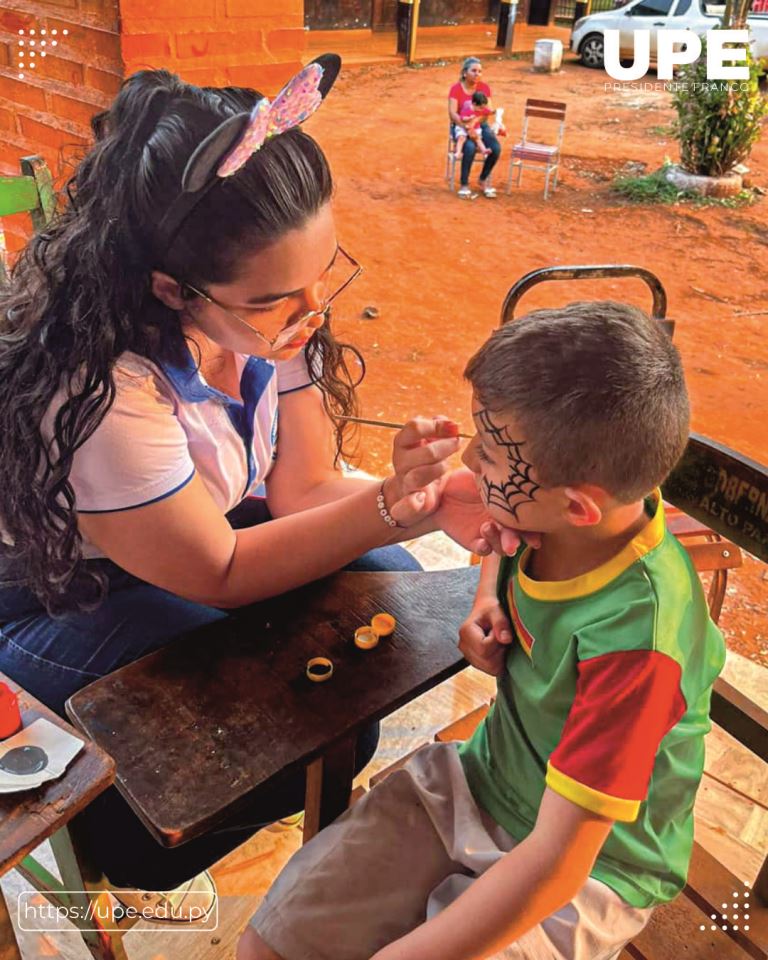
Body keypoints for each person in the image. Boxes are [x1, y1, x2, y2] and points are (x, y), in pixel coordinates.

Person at [0, 61, 511, 899]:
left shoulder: (272, 318)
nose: (310, 313)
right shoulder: (104, 392)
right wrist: (389, 506)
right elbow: (221, 573)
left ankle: (288, 799)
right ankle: (136, 835)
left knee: (385, 605)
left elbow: (303, 489)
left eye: (321, 276)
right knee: (242, 716)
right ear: (171, 289)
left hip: (192, 539)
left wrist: (434, 503)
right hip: (53, 595)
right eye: (278, 298)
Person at [239, 301, 726, 960]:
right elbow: (500, 525)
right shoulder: (562, 511)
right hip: (481, 783)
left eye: (490, 453)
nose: (470, 459)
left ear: (576, 506)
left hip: (593, 871)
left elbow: (556, 865)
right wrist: (490, 592)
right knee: (270, 945)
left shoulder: (639, 647)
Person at [448, 57, 502, 199]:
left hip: (480, 125)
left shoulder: (484, 88)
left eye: (480, 71)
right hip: (460, 125)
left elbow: (488, 111)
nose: (477, 74)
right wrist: (466, 127)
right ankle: (464, 184)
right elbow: (452, 113)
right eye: (474, 71)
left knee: (495, 148)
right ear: (465, 73)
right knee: (470, 147)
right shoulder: (456, 89)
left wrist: (475, 123)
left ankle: (482, 180)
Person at [454, 91, 493, 160]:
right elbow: (462, 118)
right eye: (480, 107)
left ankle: (484, 150)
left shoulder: (482, 109)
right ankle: (458, 152)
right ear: (474, 104)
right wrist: (469, 118)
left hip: (475, 128)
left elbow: (489, 112)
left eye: (483, 107)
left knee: (477, 138)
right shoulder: (467, 108)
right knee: (461, 138)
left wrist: (495, 112)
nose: (482, 109)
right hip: (464, 127)